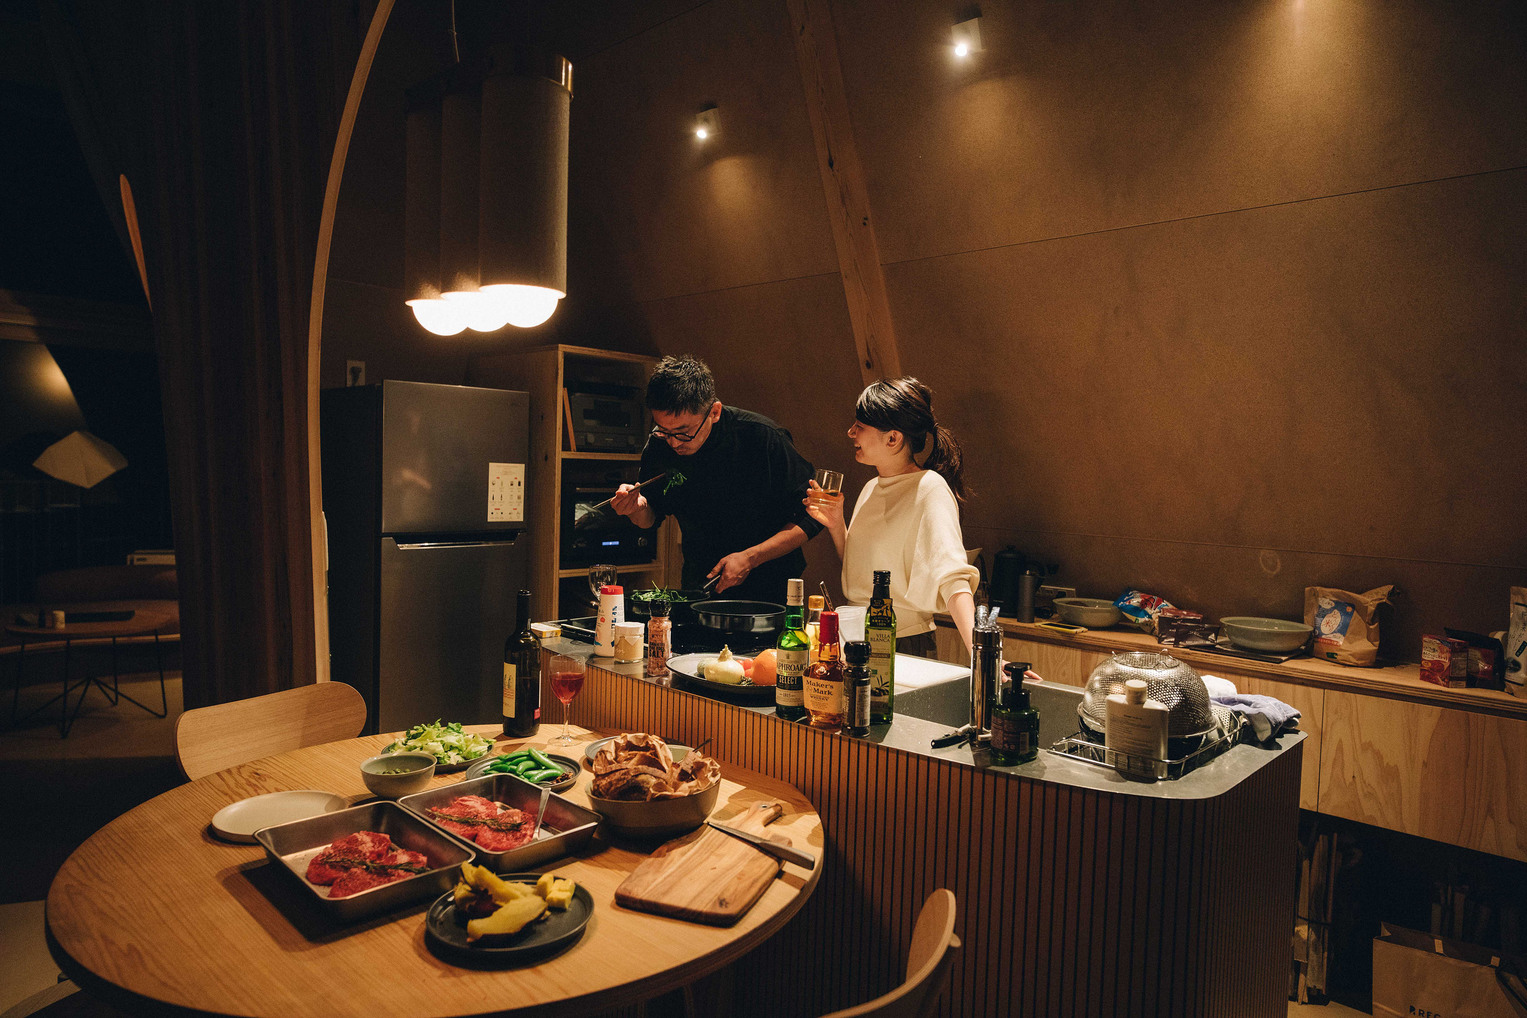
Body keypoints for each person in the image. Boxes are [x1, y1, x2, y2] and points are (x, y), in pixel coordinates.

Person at [610, 355, 822, 602]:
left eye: (684, 433)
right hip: (700, 585)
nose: (674, 443)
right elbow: (651, 517)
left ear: (715, 412)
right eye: (664, 431)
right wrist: (636, 508)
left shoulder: (762, 437)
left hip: (771, 590)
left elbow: (814, 515)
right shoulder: (659, 445)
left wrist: (750, 558)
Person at [805, 377, 979, 656]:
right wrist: (837, 525)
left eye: (860, 426)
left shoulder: (929, 488)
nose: (850, 432)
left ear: (893, 438)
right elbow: (860, 571)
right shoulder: (871, 488)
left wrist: (981, 653)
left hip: (903, 641)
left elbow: (953, 579)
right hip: (855, 638)